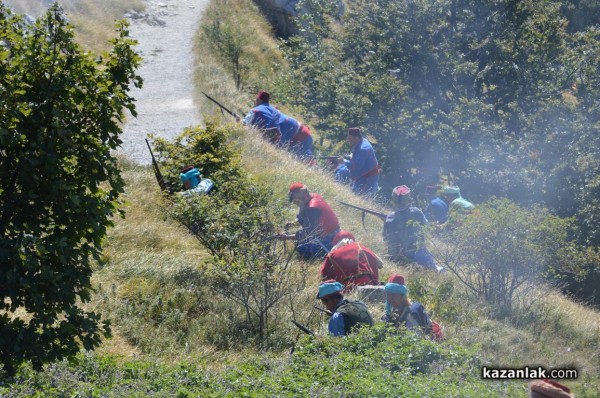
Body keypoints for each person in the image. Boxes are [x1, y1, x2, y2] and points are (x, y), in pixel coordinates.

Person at [382, 185, 443, 272]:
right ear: (408, 198)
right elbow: (427, 226)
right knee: (437, 271)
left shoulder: (389, 218)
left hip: (398, 257)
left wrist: (387, 222)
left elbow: (386, 239)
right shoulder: (416, 212)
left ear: (393, 199)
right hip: (420, 254)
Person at [274, 183, 341, 259]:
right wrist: (293, 224)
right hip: (335, 232)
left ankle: (326, 255)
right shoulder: (313, 197)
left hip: (329, 239)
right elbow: (306, 220)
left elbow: (308, 234)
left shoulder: (311, 209)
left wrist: (287, 237)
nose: (295, 203)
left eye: (296, 201)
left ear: (302, 198)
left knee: (301, 247)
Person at [337, 127, 380, 196]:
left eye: (350, 138)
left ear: (356, 138)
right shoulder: (362, 141)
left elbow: (356, 166)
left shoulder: (363, 149)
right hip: (363, 174)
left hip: (368, 177)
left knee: (361, 196)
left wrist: (344, 161)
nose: (348, 140)